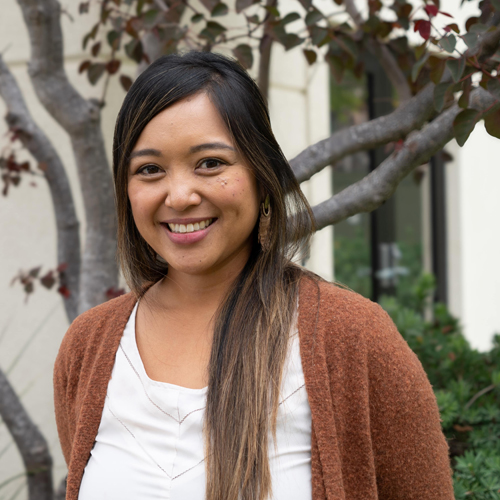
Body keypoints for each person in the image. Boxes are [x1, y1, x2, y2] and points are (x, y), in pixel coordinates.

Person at [53, 51, 454, 500]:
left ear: (262, 176)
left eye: (210, 163)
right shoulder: (89, 348)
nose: (180, 195)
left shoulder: (353, 339)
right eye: (150, 170)